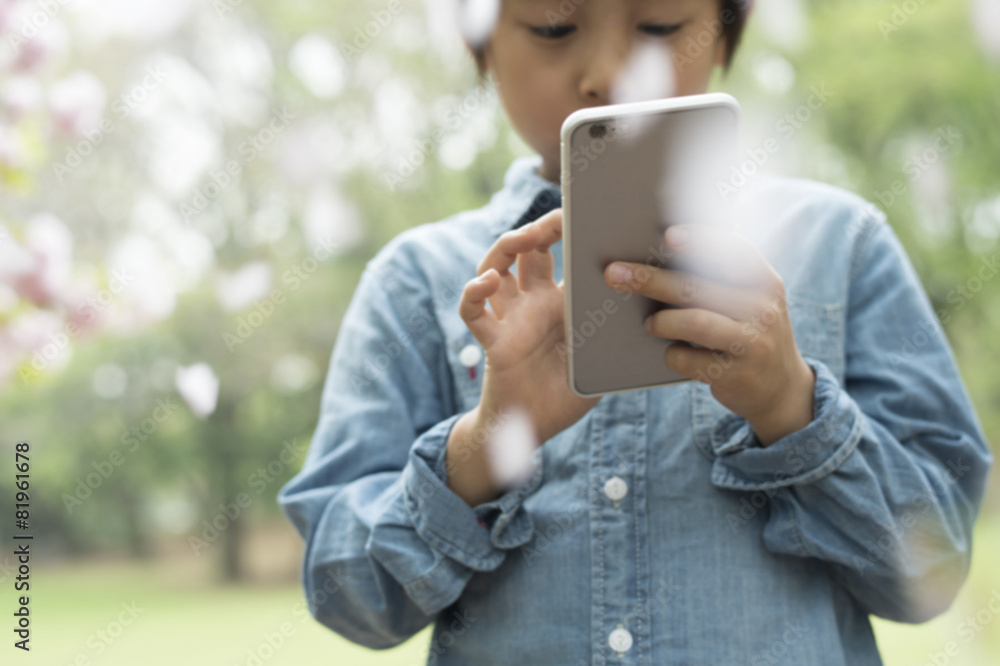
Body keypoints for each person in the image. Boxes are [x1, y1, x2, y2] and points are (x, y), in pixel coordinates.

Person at [277, 1, 993, 663]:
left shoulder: (843, 245)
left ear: (727, 30)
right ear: (481, 41)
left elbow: (932, 570)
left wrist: (789, 406)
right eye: (555, 28)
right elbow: (348, 598)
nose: (609, 73)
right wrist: (484, 447)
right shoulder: (415, 280)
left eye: (658, 24)